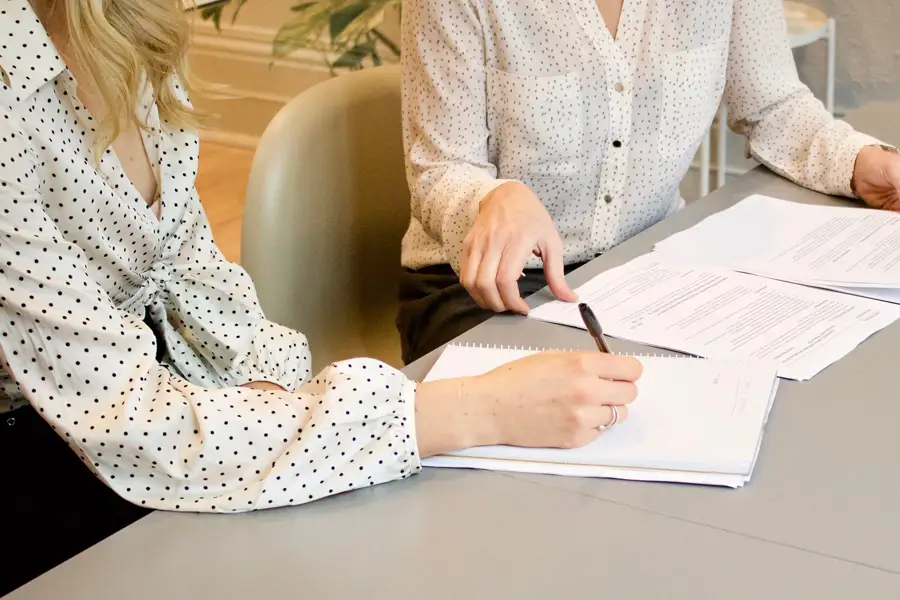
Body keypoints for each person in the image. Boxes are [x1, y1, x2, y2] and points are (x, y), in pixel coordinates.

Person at [0, 0, 643, 594]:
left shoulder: (128, 28)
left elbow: (195, 278)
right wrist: (473, 411)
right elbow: (131, 423)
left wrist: (274, 397)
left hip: (151, 410)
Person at [396, 0, 900, 364]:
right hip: (485, 289)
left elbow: (773, 105)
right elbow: (440, 169)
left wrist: (860, 162)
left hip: (646, 272)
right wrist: (492, 199)